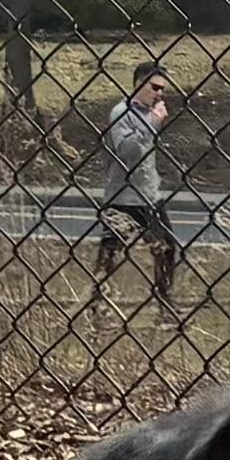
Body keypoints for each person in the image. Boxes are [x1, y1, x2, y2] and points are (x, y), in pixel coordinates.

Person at [92, 66, 179, 304]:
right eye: (155, 87)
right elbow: (127, 151)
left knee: (167, 248)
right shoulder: (121, 112)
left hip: (150, 196)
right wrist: (152, 123)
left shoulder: (151, 112)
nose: (160, 94)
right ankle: (97, 304)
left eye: (163, 89)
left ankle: (165, 302)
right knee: (109, 255)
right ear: (139, 84)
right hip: (123, 197)